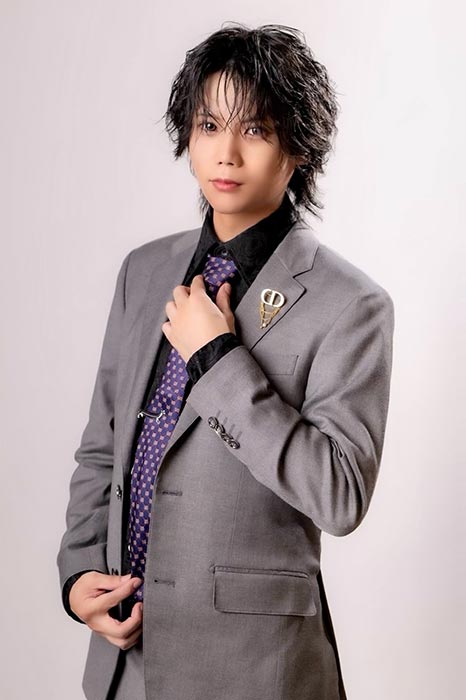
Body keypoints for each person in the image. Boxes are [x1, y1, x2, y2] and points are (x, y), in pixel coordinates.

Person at [57, 22, 394, 700]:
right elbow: (102, 448)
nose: (227, 153)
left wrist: (218, 359)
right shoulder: (144, 271)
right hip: (127, 664)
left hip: (255, 671)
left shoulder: (352, 305)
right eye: (209, 125)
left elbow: (339, 494)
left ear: (299, 147)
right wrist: (78, 575)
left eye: (257, 130)